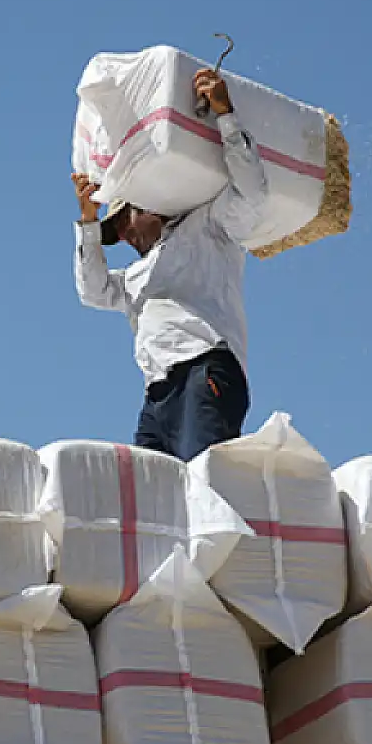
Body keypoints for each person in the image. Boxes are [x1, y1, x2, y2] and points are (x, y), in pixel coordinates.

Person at [71, 67, 268, 461]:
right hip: (156, 395)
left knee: (204, 480)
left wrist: (224, 114)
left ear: (153, 207)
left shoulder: (206, 227)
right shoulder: (131, 281)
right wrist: (89, 223)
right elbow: (92, 291)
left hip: (205, 369)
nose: (125, 235)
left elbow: (252, 192)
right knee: (158, 503)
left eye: (125, 220)